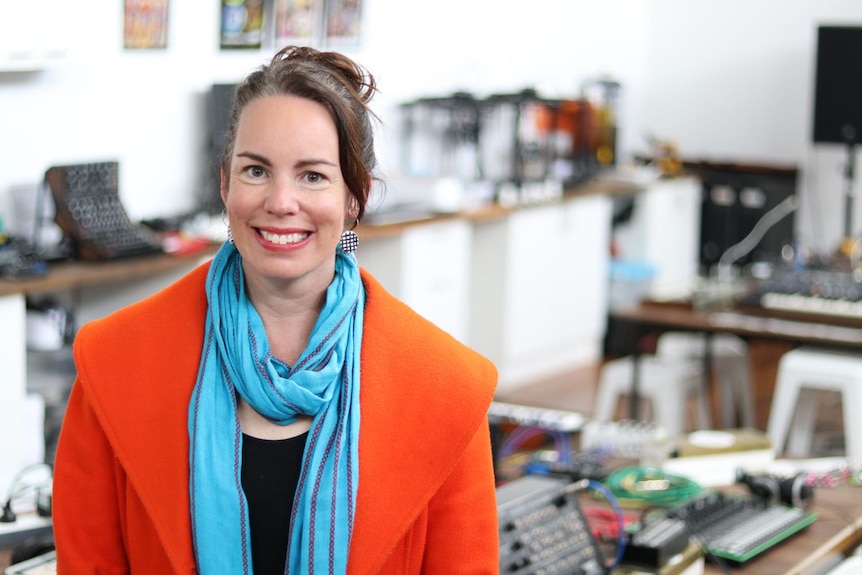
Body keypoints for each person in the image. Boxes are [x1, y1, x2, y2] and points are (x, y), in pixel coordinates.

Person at [52, 46, 499, 574]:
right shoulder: (113, 363)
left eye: (313, 176)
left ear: (355, 198)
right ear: (225, 185)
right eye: (257, 170)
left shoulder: (448, 389)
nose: (282, 201)